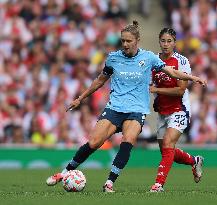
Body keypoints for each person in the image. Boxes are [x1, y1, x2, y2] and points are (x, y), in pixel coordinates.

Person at [46, 21, 207, 193]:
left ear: (137, 40)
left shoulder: (149, 58)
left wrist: (193, 77)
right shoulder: (113, 58)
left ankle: (109, 183)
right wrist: (80, 98)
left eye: (128, 41)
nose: (125, 44)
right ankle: (64, 173)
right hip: (115, 107)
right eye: (123, 40)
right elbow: (100, 80)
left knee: (127, 142)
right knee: (94, 142)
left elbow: (172, 72)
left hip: (137, 110)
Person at [149, 28, 205, 192]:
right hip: (162, 111)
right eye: (163, 41)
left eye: (169, 41)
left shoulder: (181, 61)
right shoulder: (154, 60)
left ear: (175, 42)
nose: (166, 45)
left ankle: (158, 185)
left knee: (168, 144)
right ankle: (194, 161)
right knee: (167, 151)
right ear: (159, 42)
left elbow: (180, 90)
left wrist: (156, 90)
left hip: (179, 109)